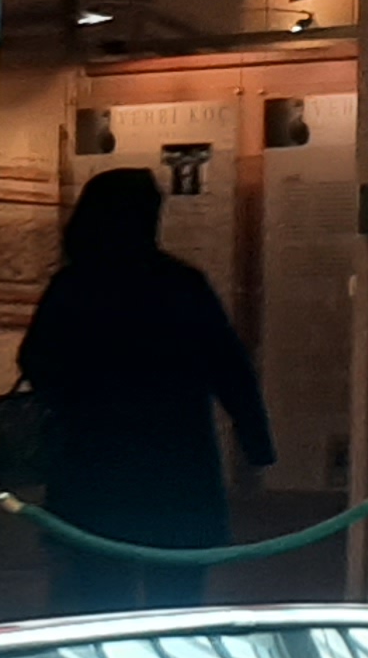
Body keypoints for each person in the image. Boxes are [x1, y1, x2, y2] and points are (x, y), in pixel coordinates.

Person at [15, 168, 275, 612]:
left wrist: (78, 398)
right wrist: (257, 446)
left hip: (95, 462)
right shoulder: (180, 283)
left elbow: (36, 360)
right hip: (175, 464)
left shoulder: (75, 286)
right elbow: (229, 368)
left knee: (98, 599)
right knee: (175, 602)